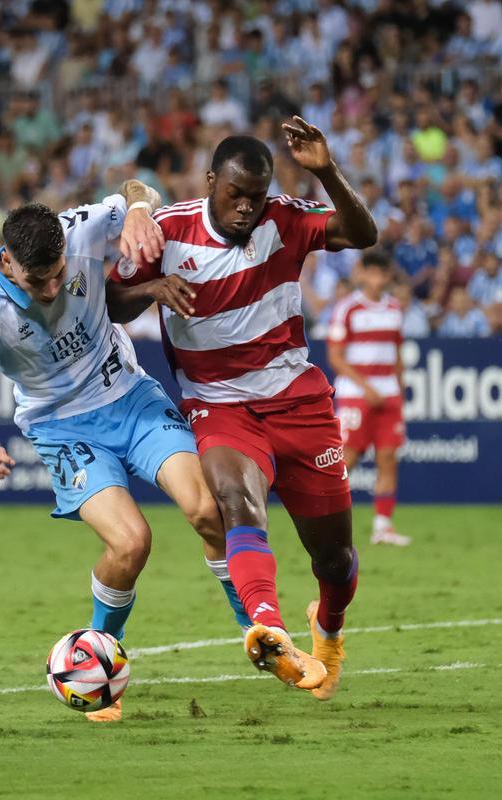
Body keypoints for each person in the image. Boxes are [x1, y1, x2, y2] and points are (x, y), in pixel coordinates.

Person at [0, 189, 262, 722]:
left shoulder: (83, 227)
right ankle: (97, 662)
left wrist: (140, 209)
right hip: (62, 427)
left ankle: (257, 632)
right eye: (37, 281)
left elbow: (138, 191)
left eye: (58, 275)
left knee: (208, 510)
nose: (52, 289)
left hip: (130, 396)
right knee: (131, 542)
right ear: (7, 261)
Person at [107, 125, 378, 701]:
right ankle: (268, 626)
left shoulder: (283, 218)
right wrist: (153, 286)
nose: (247, 208)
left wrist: (327, 171)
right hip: (219, 405)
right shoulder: (169, 230)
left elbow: (363, 233)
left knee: (334, 558)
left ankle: (328, 629)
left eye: (257, 195)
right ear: (211, 183)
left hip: (298, 402)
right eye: (236, 194)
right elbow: (110, 299)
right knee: (234, 499)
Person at [327, 253, 409, 546]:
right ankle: (328, 522)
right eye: (371, 272)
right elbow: (335, 357)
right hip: (356, 396)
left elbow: (398, 355)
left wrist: (398, 389)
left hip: (388, 395)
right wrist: (365, 387)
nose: (376, 278)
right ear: (363, 274)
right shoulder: (347, 308)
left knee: (388, 458)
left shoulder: (395, 309)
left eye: (381, 273)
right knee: (347, 459)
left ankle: (383, 526)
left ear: (387, 275)